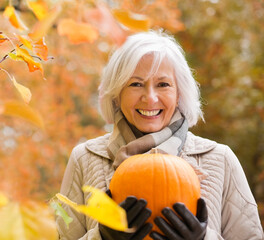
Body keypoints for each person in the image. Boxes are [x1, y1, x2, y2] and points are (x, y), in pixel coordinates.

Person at [56, 30, 264, 240]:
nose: (150, 98)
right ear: (117, 95)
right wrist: (101, 237)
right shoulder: (84, 158)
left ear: (179, 93)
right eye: (136, 84)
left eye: (163, 84)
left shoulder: (220, 159)